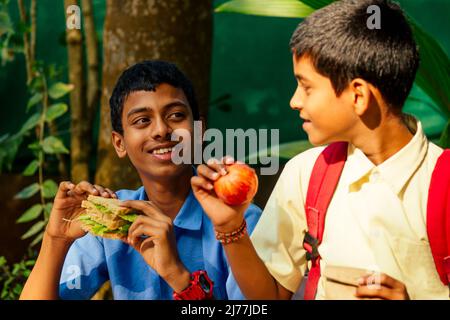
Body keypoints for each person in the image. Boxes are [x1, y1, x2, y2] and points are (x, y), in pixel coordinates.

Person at [192, 0, 449, 300]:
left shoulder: (441, 181)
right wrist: (230, 226)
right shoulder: (306, 174)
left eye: (306, 86)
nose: (295, 101)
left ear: (358, 96)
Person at [20, 60, 261, 300]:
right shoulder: (112, 217)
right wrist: (56, 240)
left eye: (176, 115)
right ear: (119, 143)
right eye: (142, 120)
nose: (161, 130)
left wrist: (177, 275)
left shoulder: (237, 222)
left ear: (199, 131)